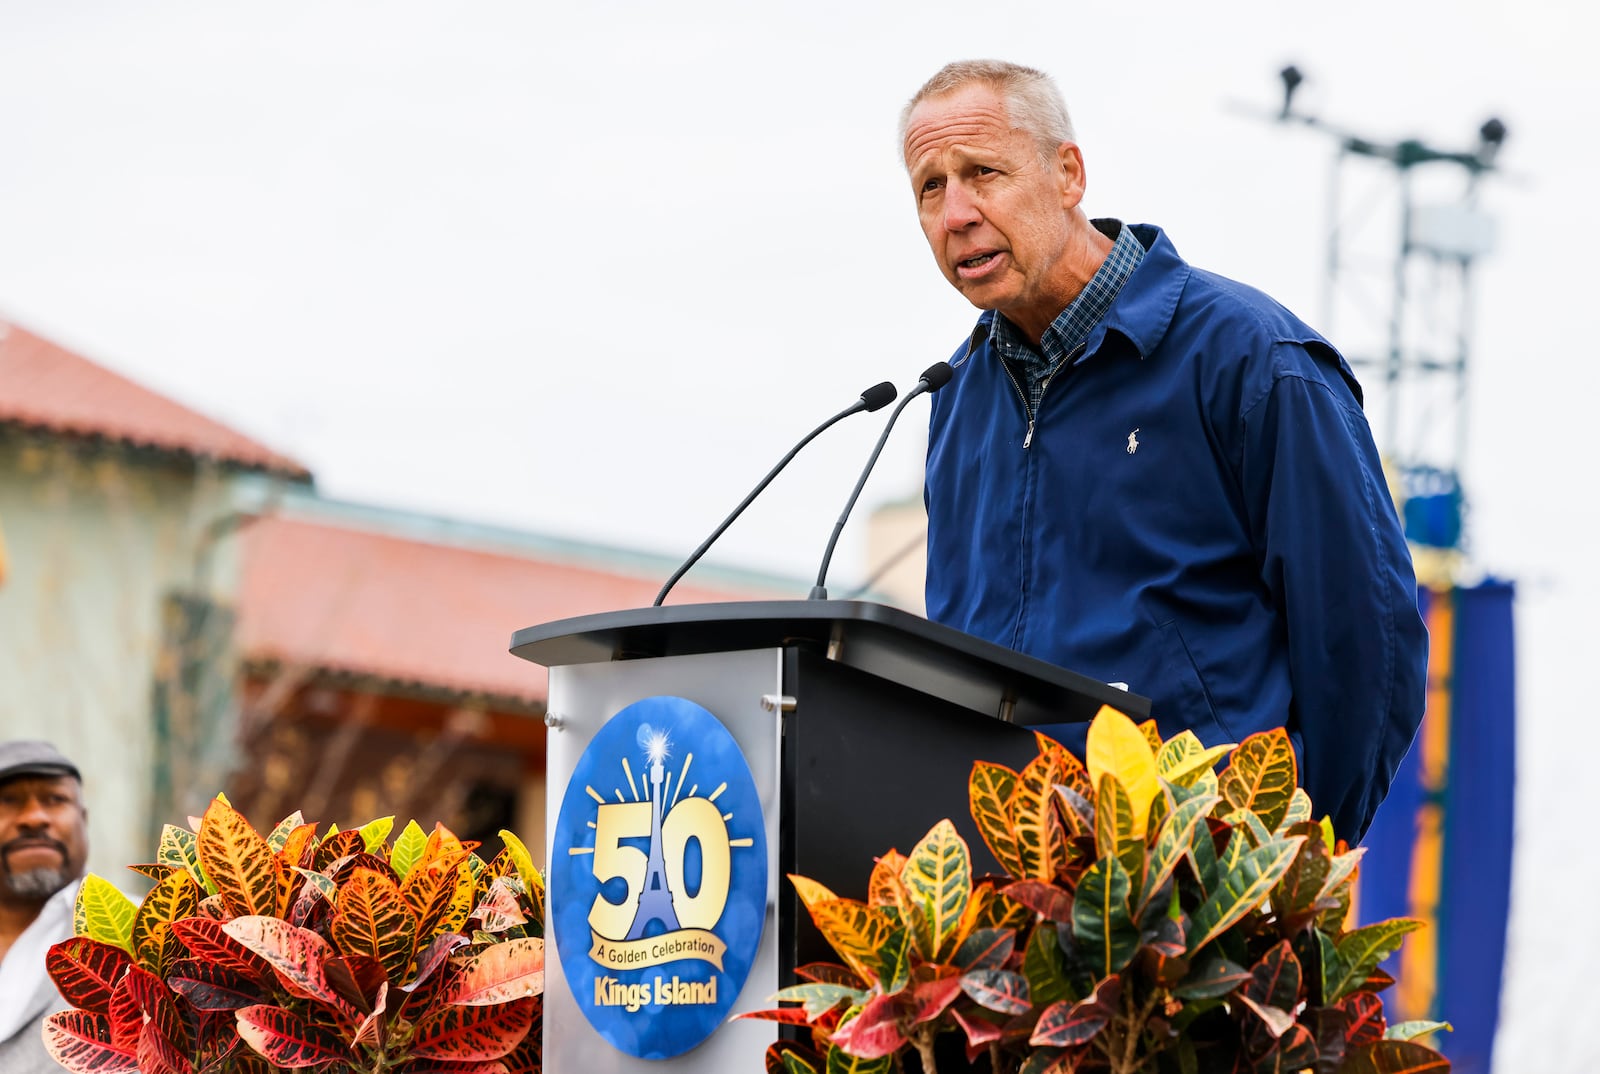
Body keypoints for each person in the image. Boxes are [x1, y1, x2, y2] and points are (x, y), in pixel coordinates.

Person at [902, 60, 1427, 843]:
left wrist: (1279, 862)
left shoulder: (1253, 360)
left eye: (984, 173)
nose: (957, 214)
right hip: (1012, 900)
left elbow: (1366, 645)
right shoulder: (955, 395)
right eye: (930, 187)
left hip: (1201, 889)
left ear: (1068, 173)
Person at [0, 740, 89, 1073]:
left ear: (83, 819)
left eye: (56, 799)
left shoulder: (150, 935)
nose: (34, 817)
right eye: (8, 800)